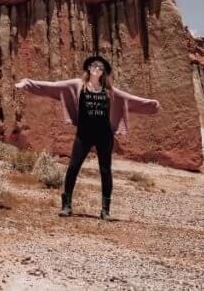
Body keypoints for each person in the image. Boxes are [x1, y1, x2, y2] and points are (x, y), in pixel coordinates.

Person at [14, 55, 161, 220]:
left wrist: (151, 105)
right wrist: (28, 83)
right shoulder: (77, 85)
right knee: (73, 167)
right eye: (94, 66)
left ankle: (105, 210)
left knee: (105, 171)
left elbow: (130, 100)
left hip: (104, 136)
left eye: (100, 67)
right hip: (84, 134)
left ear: (103, 72)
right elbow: (53, 87)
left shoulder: (109, 91)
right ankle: (66, 205)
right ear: (89, 69)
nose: (97, 69)